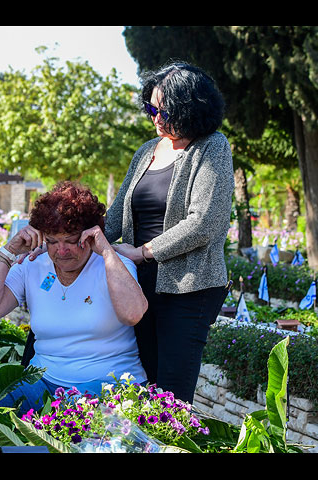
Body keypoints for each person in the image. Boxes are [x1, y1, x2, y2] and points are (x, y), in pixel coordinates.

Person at [0, 181, 148, 422]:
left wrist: (108, 251)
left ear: (91, 235)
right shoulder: (33, 264)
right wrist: (8, 252)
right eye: (52, 241)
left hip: (106, 388)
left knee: (73, 413)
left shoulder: (113, 264)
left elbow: (133, 314)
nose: (61, 251)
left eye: (71, 241)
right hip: (43, 385)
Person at [102, 61, 235, 404]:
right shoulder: (146, 151)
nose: (156, 118)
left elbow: (203, 221)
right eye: (151, 109)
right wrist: (67, 237)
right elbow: (115, 217)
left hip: (187, 289)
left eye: (165, 110)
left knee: (171, 396)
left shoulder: (212, 147)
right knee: (140, 386)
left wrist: (142, 251)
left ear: (193, 108)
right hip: (136, 285)